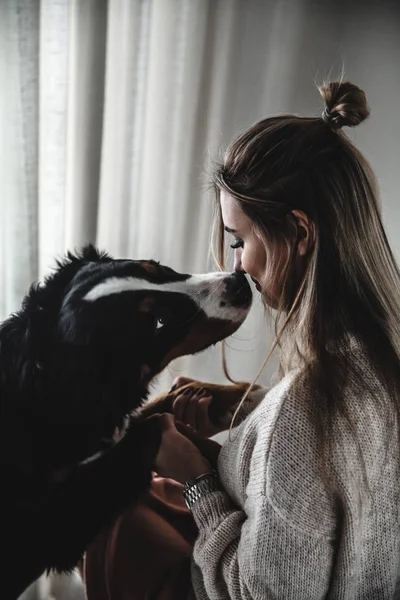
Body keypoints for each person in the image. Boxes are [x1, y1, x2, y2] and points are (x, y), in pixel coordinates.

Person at [83, 80, 400, 599]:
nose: (238, 266)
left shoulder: (308, 408)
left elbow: (264, 592)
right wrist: (252, 408)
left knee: (116, 520)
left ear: (300, 233)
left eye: (241, 240)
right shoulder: (379, 357)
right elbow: (342, 462)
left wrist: (195, 478)